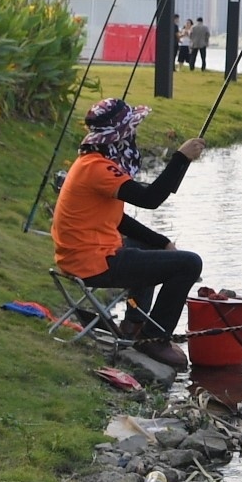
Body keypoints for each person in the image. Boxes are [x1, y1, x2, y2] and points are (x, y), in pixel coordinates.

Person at [49, 97, 207, 370]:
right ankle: (154, 339)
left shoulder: (90, 163)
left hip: (84, 256)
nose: (133, 136)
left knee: (148, 247)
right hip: (92, 262)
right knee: (189, 264)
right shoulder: (98, 168)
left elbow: (118, 219)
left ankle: (134, 324)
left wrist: (163, 242)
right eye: (130, 131)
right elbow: (150, 198)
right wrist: (180, 158)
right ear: (118, 136)